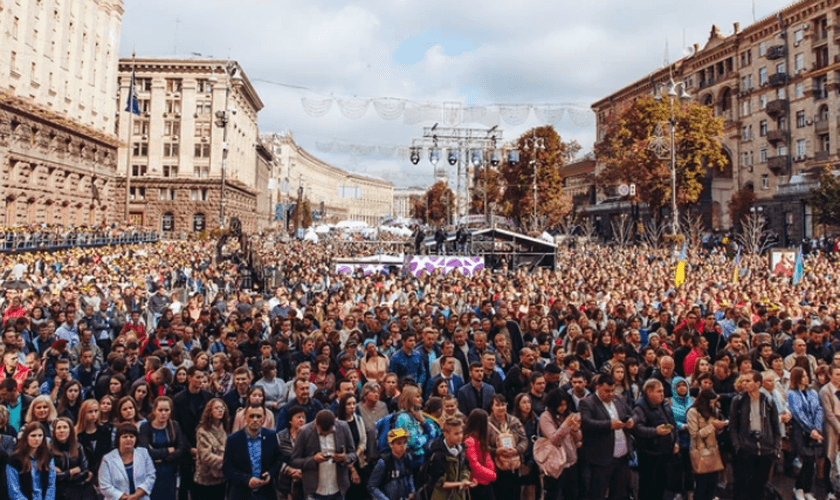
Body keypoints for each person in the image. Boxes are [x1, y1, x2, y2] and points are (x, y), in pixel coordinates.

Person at [579, 374, 634, 500]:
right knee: (597, 494)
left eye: (612, 390)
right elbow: (586, 423)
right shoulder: (587, 403)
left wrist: (631, 420)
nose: (610, 394)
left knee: (619, 494)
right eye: (607, 391)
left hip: (622, 456)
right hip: (601, 458)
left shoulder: (619, 399)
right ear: (597, 387)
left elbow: (632, 413)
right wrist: (609, 425)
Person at [729, 370, 780, 500]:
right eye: (743, 381)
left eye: (748, 381)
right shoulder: (738, 400)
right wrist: (737, 446)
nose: (744, 384)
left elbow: (775, 426)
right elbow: (733, 426)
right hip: (745, 449)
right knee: (743, 486)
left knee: (760, 486)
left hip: (765, 450)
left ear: (758, 383)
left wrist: (775, 447)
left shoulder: (768, 401)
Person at [290, 409, 357, 500]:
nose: (325, 435)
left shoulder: (343, 427)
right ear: (316, 424)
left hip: (338, 489)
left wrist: (344, 458)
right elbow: (294, 461)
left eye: (329, 432)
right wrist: (313, 459)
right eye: (322, 433)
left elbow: (353, 454)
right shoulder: (304, 432)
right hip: (314, 490)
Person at [222, 405, 283, 500]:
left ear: (263, 419)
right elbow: (227, 468)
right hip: (241, 493)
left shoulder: (271, 436)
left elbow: (278, 460)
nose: (255, 419)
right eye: (251, 416)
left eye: (258, 416)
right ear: (245, 418)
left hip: (266, 493)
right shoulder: (233, 439)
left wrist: (270, 474)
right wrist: (246, 479)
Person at [631, 378, 678, 500]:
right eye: (659, 391)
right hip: (650, 455)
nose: (662, 394)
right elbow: (637, 429)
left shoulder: (665, 405)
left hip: (665, 453)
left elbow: (672, 423)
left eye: (662, 391)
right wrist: (655, 431)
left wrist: (675, 442)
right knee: (649, 489)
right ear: (649, 392)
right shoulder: (640, 408)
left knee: (662, 487)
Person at [137, 397, 186, 500]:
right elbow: (145, 451)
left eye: (166, 410)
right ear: (154, 411)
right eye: (160, 410)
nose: (163, 413)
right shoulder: (145, 427)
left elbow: (181, 449)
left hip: (170, 471)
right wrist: (167, 450)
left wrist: (163, 458)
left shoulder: (174, 425)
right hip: (151, 472)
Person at [539, 388, 582, 500]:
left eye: (565, 404)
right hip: (556, 464)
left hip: (571, 462)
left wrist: (576, 430)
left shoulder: (569, 415)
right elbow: (554, 439)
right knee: (554, 495)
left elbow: (577, 439)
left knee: (573, 494)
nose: (564, 408)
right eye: (560, 405)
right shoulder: (546, 417)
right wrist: (566, 424)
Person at [788, 366, 823, 500]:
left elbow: (818, 409)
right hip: (800, 430)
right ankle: (799, 488)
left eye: (807, 375)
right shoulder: (792, 394)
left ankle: (807, 489)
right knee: (806, 458)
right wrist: (811, 429)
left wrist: (816, 428)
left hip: (814, 430)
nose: (806, 378)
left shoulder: (812, 392)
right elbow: (798, 413)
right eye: (803, 376)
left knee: (812, 460)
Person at [97, 423, 156, 500]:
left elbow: (151, 476)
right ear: (118, 439)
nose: (128, 439)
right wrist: (123, 497)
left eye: (132, 436)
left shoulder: (143, 453)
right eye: (125, 437)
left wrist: (136, 495)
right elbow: (104, 485)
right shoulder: (107, 459)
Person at [686, 389, 726, 500]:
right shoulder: (693, 412)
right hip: (700, 451)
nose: (713, 404)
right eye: (711, 402)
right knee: (701, 485)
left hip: (713, 450)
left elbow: (716, 432)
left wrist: (720, 427)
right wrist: (712, 426)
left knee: (712, 485)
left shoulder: (714, 411)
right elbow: (694, 434)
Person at [487, 394, 526, 500]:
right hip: (496, 468)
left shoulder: (515, 421)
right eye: (497, 405)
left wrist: (517, 450)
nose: (501, 408)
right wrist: (496, 451)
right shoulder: (487, 424)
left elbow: (524, 440)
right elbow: (483, 446)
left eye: (503, 405)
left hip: (514, 466)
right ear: (492, 407)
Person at [427, 417, 473, 500]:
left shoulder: (462, 449)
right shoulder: (438, 454)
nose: (460, 436)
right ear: (446, 434)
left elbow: (465, 468)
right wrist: (460, 484)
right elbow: (439, 483)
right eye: (456, 434)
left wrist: (465, 479)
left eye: (461, 433)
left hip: (458, 496)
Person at [6, 422, 55, 500]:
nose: (37, 439)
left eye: (40, 435)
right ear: (26, 437)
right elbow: (14, 490)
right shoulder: (14, 460)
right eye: (33, 435)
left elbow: (51, 485)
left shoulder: (48, 457)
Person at [50, 417, 95, 500]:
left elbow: (85, 472)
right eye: (58, 428)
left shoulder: (78, 447)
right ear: (54, 431)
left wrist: (62, 475)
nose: (62, 430)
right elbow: (49, 475)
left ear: (70, 430)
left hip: (77, 490)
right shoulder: (49, 449)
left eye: (65, 427)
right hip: (57, 492)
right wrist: (69, 473)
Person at [193, 398, 229, 500]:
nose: (220, 410)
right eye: (217, 408)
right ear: (210, 411)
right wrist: (226, 461)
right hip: (205, 479)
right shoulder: (203, 431)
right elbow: (205, 456)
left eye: (222, 408)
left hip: (221, 478)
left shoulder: (224, 429)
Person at [394, 384, 435, 472]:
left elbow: (432, 433)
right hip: (409, 461)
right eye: (417, 396)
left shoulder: (418, 415)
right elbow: (415, 442)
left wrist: (423, 422)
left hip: (421, 459)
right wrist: (426, 437)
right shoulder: (403, 418)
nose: (421, 399)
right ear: (409, 399)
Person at [367, 428, 415, 500]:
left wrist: (412, 490)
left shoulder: (407, 458)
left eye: (404, 442)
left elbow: (409, 475)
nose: (403, 446)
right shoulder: (383, 462)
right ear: (391, 444)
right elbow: (372, 487)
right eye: (399, 443)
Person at [336, 394, 366, 500]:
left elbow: (363, 441)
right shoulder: (338, 423)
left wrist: (355, 456)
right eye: (349, 404)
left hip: (358, 460)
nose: (352, 406)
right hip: (344, 465)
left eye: (354, 403)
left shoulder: (359, 420)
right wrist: (351, 466)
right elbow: (339, 447)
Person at [818, 364, 840, 499]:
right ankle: (829, 490)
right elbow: (828, 413)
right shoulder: (825, 391)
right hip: (830, 427)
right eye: (837, 374)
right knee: (829, 456)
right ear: (830, 375)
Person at [463, 409, 495, 500]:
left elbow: (488, 459)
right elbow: (474, 465)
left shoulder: (481, 440)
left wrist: (491, 473)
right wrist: (491, 475)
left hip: (486, 481)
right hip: (476, 483)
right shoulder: (469, 441)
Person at [275, 406, 304, 500]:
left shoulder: (309, 436)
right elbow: (275, 458)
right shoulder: (280, 437)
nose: (301, 420)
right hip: (284, 482)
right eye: (298, 417)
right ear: (290, 420)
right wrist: (289, 470)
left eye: (303, 417)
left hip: (304, 481)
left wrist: (302, 471)